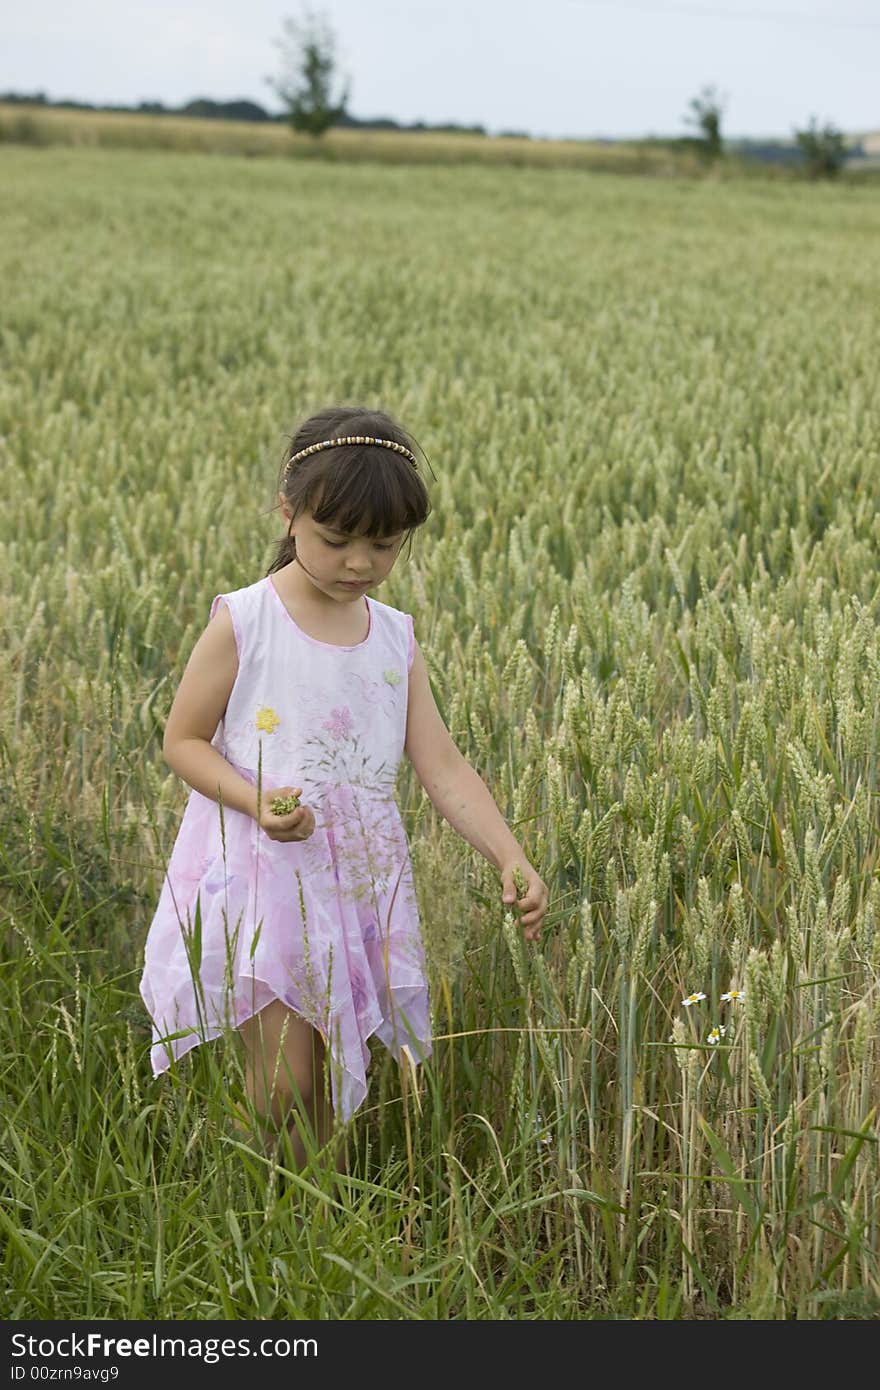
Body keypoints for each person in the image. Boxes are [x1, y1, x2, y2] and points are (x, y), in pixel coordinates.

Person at [139, 405, 549, 1171]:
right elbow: (182, 740)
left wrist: (509, 853)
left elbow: (443, 767)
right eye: (337, 541)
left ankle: (304, 1228)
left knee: (326, 1080)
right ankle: (258, 1218)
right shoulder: (248, 621)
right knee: (283, 1085)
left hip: (356, 879)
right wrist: (257, 801)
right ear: (288, 515)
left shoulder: (394, 636)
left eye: (383, 545)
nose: (359, 562)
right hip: (262, 874)